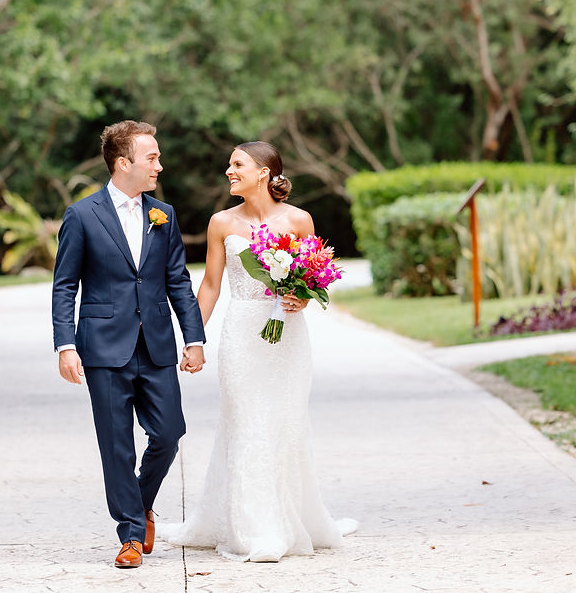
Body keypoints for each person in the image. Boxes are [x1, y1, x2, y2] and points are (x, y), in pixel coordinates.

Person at [158, 141, 357, 562]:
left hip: (288, 338)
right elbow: (210, 285)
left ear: (264, 172)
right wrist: (193, 339)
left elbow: (317, 277)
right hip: (241, 336)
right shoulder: (220, 223)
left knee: (285, 424)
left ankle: (290, 518)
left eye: (237, 164)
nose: (228, 171)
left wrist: (303, 298)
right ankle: (257, 529)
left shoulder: (298, 219)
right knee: (246, 424)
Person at [51, 120, 206, 568]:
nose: (159, 164)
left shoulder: (165, 215)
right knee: (116, 442)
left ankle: (139, 504)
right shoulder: (81, 215)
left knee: (169, 432)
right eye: (151, 157)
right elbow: (65, 286)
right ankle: (131, 537)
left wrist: (193, 338)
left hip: (155, 342)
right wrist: (66, 345)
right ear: (124, 163)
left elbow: (177, 279)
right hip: (102, 346)